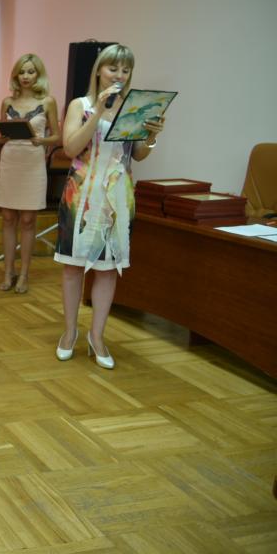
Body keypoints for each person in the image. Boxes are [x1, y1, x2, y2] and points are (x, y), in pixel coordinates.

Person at [53, 44, 164, 369]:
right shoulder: (81, 105)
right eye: (113, 68)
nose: (119, 75)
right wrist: (100, 112)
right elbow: (70, 147)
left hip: (118, 197)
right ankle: (70, 332)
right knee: (73, 266)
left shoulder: (133, 109)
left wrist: (151, 137)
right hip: (81, 194)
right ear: (99, 70)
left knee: (108, 269)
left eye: (125, 70)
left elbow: (137, 155)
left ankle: (97, 336)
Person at [0, 54, 60, 294]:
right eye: (22, 72)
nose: (26, 76)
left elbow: (57, 136)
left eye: (31, 72)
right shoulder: (7, 102)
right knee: (8, 218)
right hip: (10, 160)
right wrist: (0, 138)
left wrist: (42, 140)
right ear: (16, 75)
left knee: (28, 220)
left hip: (33, 162)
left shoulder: (48, 101)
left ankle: (24, 274)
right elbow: (1, 137)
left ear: (38, 75)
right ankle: (8, 271)